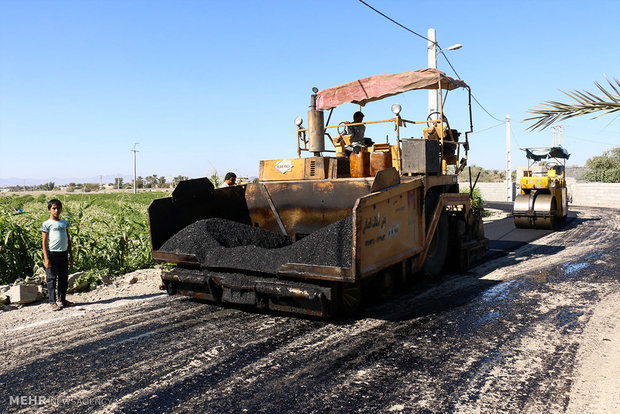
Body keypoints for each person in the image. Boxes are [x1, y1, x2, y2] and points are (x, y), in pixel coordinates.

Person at [41, 199, 74, 311]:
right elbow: (44, 242)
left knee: (63, 278)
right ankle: (52, 302)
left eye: (58, 208)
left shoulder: (64, 223)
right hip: (52, 254)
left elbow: (68, 239)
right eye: (54, 208)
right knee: (51, 278)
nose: (56, 210)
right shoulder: (46, 224)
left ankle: (62, 300)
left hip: (63, 254)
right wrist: (46, 258)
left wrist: (71, 255)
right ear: (49, 210)